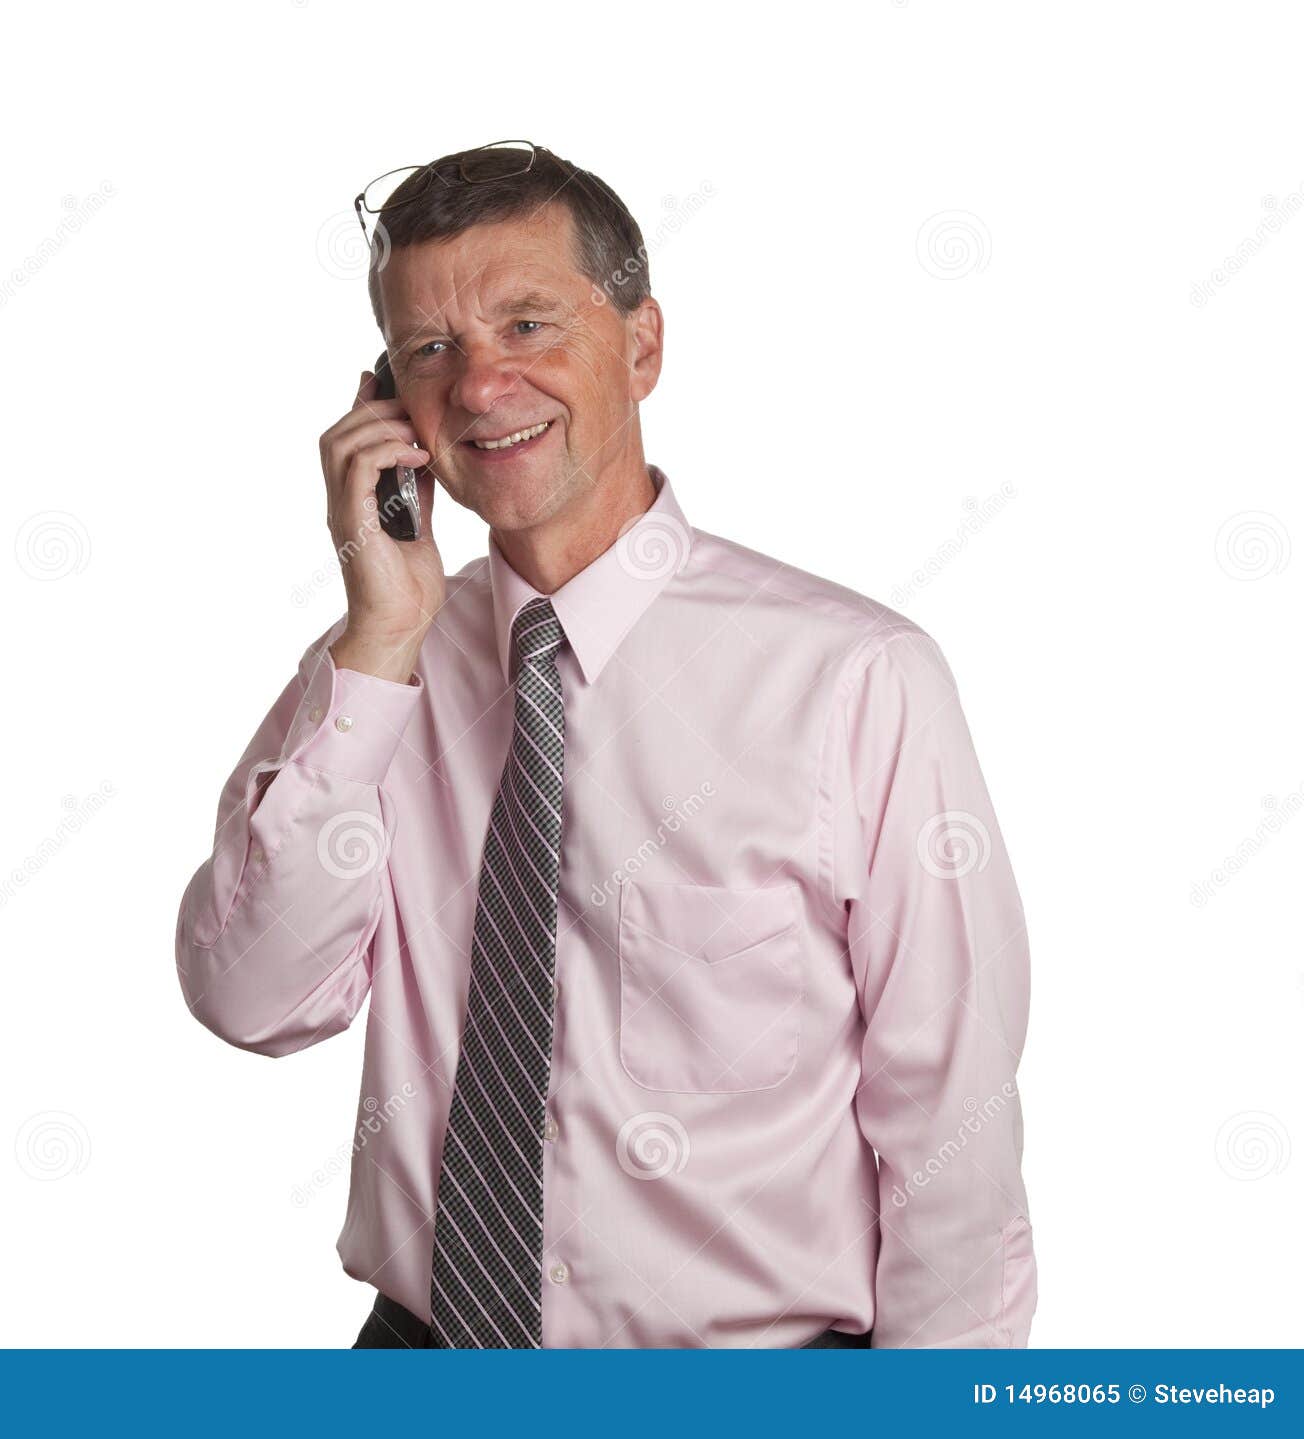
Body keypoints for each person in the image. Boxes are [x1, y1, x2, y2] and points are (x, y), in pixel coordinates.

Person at [174, 141, 1036, 1349]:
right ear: (385, 399)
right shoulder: (374, 672)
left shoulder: (852, 677)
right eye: (430, 350)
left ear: (642, 346)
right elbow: (251, 1000)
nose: (479, 387)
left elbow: (950, 1123)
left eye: (528, 324)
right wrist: (378, 640)